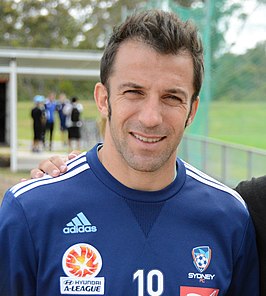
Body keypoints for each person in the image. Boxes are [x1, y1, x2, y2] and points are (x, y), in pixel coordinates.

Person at [0, 10, 259, 296]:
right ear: (103, 99)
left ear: (192, 110)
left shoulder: (230, 216)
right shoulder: (31, 210)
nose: (150, 118)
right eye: (134, 92)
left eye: (172, 97)